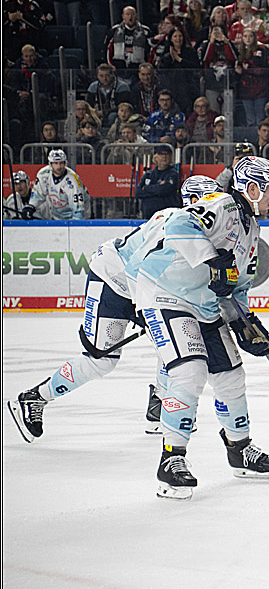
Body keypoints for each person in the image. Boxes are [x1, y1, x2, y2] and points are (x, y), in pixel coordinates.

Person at [7, 173, 222, 444]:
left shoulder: (205, 232)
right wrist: (147, 308)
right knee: (101, 360)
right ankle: (34, 398)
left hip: (142, 288)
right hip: (113, 278)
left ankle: (159, 405)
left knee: (173, 338)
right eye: (208, 200)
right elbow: (135, 267)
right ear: (192, 201)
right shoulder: (171, 221)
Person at [118, 156, 269, 498]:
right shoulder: (221, 205)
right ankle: (171, 459)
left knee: (231, 373)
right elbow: (178, 223)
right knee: (190, 371)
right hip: (165, 294)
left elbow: (236, 286)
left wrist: (244, 322)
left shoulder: (252, 230)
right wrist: (213, 259)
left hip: (204, 305)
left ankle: (240, 449)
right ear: (252, 188)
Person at [29, 149, 88, 220]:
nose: (59, 166)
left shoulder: (72, 180)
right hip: (56, 215)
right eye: (56, 163)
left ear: (65, 163)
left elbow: (78, 210)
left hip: (78, 215)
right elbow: (37, 195)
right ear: (50, 164)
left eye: (61, 163)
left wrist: (76, 223)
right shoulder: (43, 174)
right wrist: (31, 207)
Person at [137, 145, 181, 219]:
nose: (164, 157)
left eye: (167, 154)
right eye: (161, 154)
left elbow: (164, 190)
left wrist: (147, 188)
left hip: (166, 215)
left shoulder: (172, 174)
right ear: (156, 157)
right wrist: (157, 187)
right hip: (149, 215)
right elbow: (138, 192)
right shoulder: (149, 174)